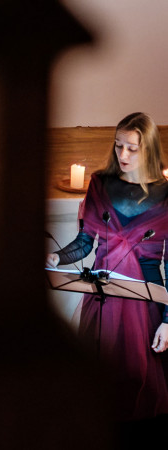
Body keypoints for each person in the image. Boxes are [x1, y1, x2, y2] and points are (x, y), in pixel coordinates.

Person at [46, 112, 168, 447]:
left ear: (149, 150)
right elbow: (85, 242)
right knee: (100, 388)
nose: (123, 155)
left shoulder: (165, 194)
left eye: (132, 148)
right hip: (102, 299)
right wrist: (57, 257)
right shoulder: (101, 183)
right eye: (118, 146)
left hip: (147, 303)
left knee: (142, 396)